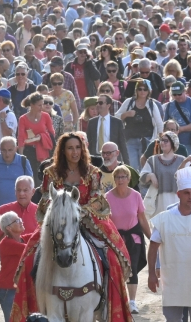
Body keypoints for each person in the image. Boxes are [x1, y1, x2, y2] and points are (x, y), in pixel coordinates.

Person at [10, 132, 132, 322]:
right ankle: (35, 308)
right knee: (29, 259)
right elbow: (44, 200)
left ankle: (110, 306)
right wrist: (57, 208)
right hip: (58, 220)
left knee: (112, 257)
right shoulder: (51, 172)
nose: (75, 152)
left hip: (86, 218)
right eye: (70, 148)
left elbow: (98, 199)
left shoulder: (92, 172)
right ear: (63, 151)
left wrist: (81, 210)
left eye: (78, 147)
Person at [148, 166, 191, 321]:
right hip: (173, 280)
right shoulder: (164, 218)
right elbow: (153, 247)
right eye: (187, 193)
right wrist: (152, 274)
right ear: (178, 194)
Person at [105, 165, 151, 315]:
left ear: (128, 179)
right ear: (114, 179)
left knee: (132, 269)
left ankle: (132, 301)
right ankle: (119, 300)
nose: (120, 180)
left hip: (134, 237)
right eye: (118, 177)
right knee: (116, 270)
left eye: (123, 177)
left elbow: (142, 219)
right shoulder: (108, 197)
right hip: (115, 239)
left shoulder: (136, 195)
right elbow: (105, 221)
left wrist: (152, 237)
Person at [116, 79, 164, 170]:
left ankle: (143, 184)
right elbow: (116, 117)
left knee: (145, 168)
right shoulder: (129, 102)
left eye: (145, 89)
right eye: (140, 89)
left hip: (147, 141)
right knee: (131, 167)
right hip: (130, 140)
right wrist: (126, 114)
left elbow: (159, 123)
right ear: (136, 90)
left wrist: (160, 139)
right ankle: (134, 184)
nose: (142, 91)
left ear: (149, 91)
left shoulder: (152, 104)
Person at [139, 131, 186, 217]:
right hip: (158, 204)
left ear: (173, 143)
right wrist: (151, 175)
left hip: (177, 202)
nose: (162, 143)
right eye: (161, 140)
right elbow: (141, 178)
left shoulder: (182, 160)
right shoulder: (153, 160)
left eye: (166, 141)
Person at [17, 93, 55, 186]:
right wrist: (21, 155)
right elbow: (20, 137)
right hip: (29, 151)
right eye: (39, 105)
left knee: (45, 175)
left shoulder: (46, 116)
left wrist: (41, 137)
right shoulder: (23, 118)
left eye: (42, 104)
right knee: (32, 176)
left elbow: (52, 133)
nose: (42, 107)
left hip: (44, 149)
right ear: (32, 105)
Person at [0, 175, 37, 259]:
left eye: (25, 190)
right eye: (18, 190)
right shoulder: (3, 210)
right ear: (15, 192)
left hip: (33, 262)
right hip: (10, 263)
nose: (21, 193)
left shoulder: (40, 212)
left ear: (33, 191)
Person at [0, 209, 28, 321]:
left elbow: (36, 235)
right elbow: (29, 249)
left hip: (17, 288)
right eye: (16, 221)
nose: (21, 221)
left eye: (19, 219)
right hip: (8, 290)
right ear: (9, 228)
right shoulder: (7, 243)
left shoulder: (22, 239)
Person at [87, 94, 129, 164]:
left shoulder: (117, 122)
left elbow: (122, 143)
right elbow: (89, 143)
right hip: (95, 159)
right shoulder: (92, 122)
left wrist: (127, 164)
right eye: (97, 103)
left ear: (108, 105)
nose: (98, 105)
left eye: (100, 103)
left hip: (112, 158)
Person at [164, 81, 191, 156]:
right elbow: (165, 124)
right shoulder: (169, 105)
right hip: (174, 143)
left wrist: (181, 129)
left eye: (179, 94)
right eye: (175, 94)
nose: (177, 96)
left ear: (184, 91)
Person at [0, 137, 33, 207]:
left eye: (10, 150)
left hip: (19, 208)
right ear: (0, 149)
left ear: (16, 149)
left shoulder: (23, 161)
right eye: (4, 150)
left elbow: (30, 185)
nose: (7, 154)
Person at [0, 89, 17, 154]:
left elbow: (7, 135)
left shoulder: (10, 115)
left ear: (0, 99)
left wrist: (2, 119)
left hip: (4, 155)